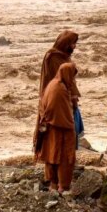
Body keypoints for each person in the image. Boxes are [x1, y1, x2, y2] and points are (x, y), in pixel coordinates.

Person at [34, 31, 81, 185]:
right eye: (72, 43)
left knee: (53, 149)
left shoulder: (64, 60)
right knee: (61, 151)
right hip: (56, 107)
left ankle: (54, 182)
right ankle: (59, 184)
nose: (74, 47)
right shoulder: (53, 58)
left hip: (60, 104)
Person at [35, 62, 78, 193]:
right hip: (61, 130)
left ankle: (53, 184)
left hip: (50, 129)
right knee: (65, 158)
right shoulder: (59, 90)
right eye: (72, 75)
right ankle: (63, 186)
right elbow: (60, 111)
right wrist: (71, 125)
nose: (73, 79)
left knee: (52, 156)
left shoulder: (53, 85)